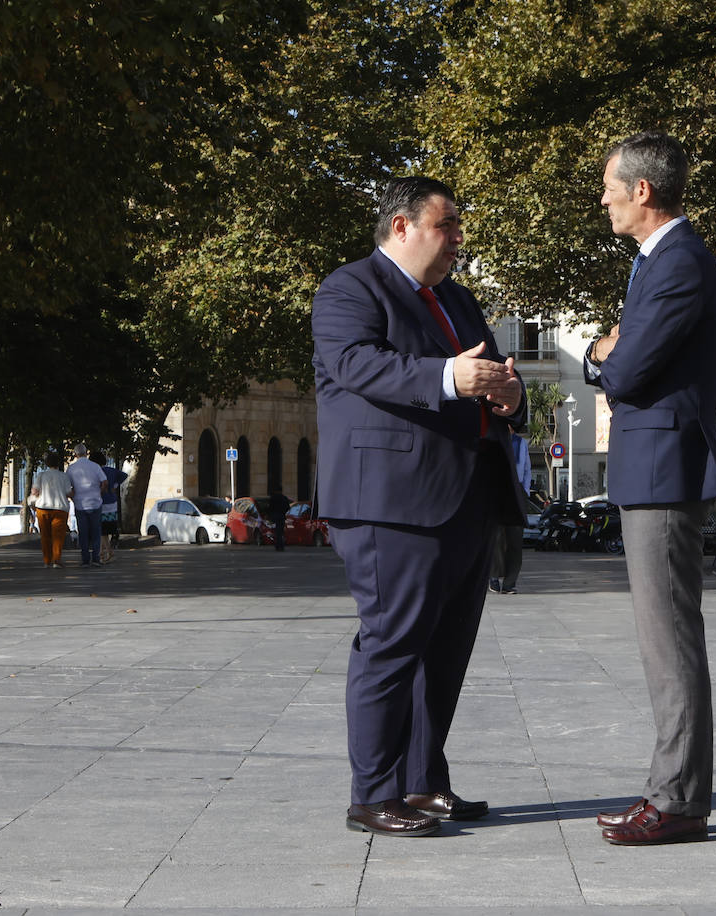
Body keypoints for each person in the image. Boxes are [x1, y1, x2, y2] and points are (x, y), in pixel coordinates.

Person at [311, 175, 528, 838]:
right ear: (401, 226)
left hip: (467, 496)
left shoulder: (456, 299)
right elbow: (357, 364)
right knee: (392, 644)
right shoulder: (349, 288)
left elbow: (489, 372)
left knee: (446, 650)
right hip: (391, 503)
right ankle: (372, 794)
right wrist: (449, 376)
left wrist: (509, 396)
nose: (459, 237)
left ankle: (424, 783)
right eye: (447, 224)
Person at [583, 132, 716, 846]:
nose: (603, 196)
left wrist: (602, 351)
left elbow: (627, 368)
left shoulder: (676, 263)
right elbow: (625, 354)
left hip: (666, 471)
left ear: (642, 190)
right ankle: (673, 792)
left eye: (610, 184)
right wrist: (609, 346)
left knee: (668, 641)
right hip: (655, 468)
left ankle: (676, 802)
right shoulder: (659, 262)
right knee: (664, 638)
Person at [490, 432, 532, 595]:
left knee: (515, 540)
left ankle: (509, 583)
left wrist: (525, 492)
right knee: (496, 538)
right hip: (496, 491)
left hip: (517, 491)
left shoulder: (521, 443)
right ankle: (493, 577)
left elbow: (527, 469)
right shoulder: (493, 439)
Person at [65, 444, 107, 567]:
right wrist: (99, 493)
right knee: (96, 532)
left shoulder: (71, 468)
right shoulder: (95, 466)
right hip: (95, 502)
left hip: (80, 504)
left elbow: (68, 487)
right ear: (86, 452)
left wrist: (73, 498)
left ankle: (85, 559)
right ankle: (95, 558)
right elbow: (104, 482)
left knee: (82, 533)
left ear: (75, 454)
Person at [30, 452, 73, 568]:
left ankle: (47, 561)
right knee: (58, 536)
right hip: (60, 508)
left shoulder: (41, 475)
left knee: (45, 535)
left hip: (42, 508)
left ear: (47, 463)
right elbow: (69, 493)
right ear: (58, 463)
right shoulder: (64, 476)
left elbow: (34, 491)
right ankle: (56, 560)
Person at [92, 451, 128, 564]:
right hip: (112, 503)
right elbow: (124, 475)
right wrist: (115, 485)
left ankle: (107, 552)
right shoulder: (111, 470)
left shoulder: (96, 472)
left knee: (102, 530)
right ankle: (102, 553)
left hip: (101, 502)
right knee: (105, 530)